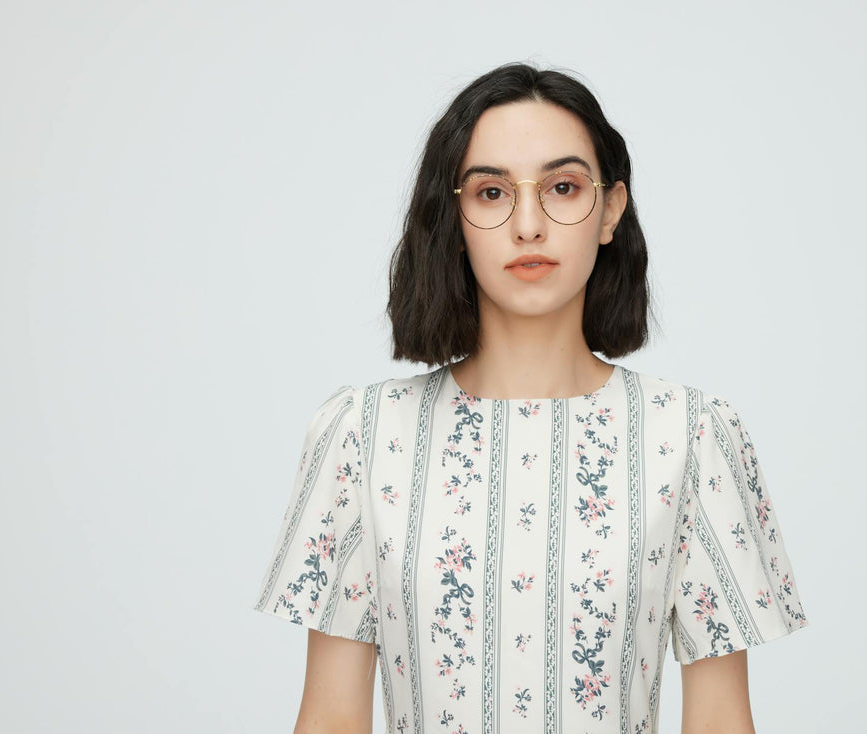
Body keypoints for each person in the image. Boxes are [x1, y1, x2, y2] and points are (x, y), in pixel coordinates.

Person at [253, 61, 809, 734]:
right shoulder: (361, 435)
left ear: (609, 210)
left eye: (563, 187)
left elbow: (721, 720)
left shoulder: (690, 435)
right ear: (452, 215)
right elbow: (332, 718)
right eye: (491, 193)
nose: (527, 225)